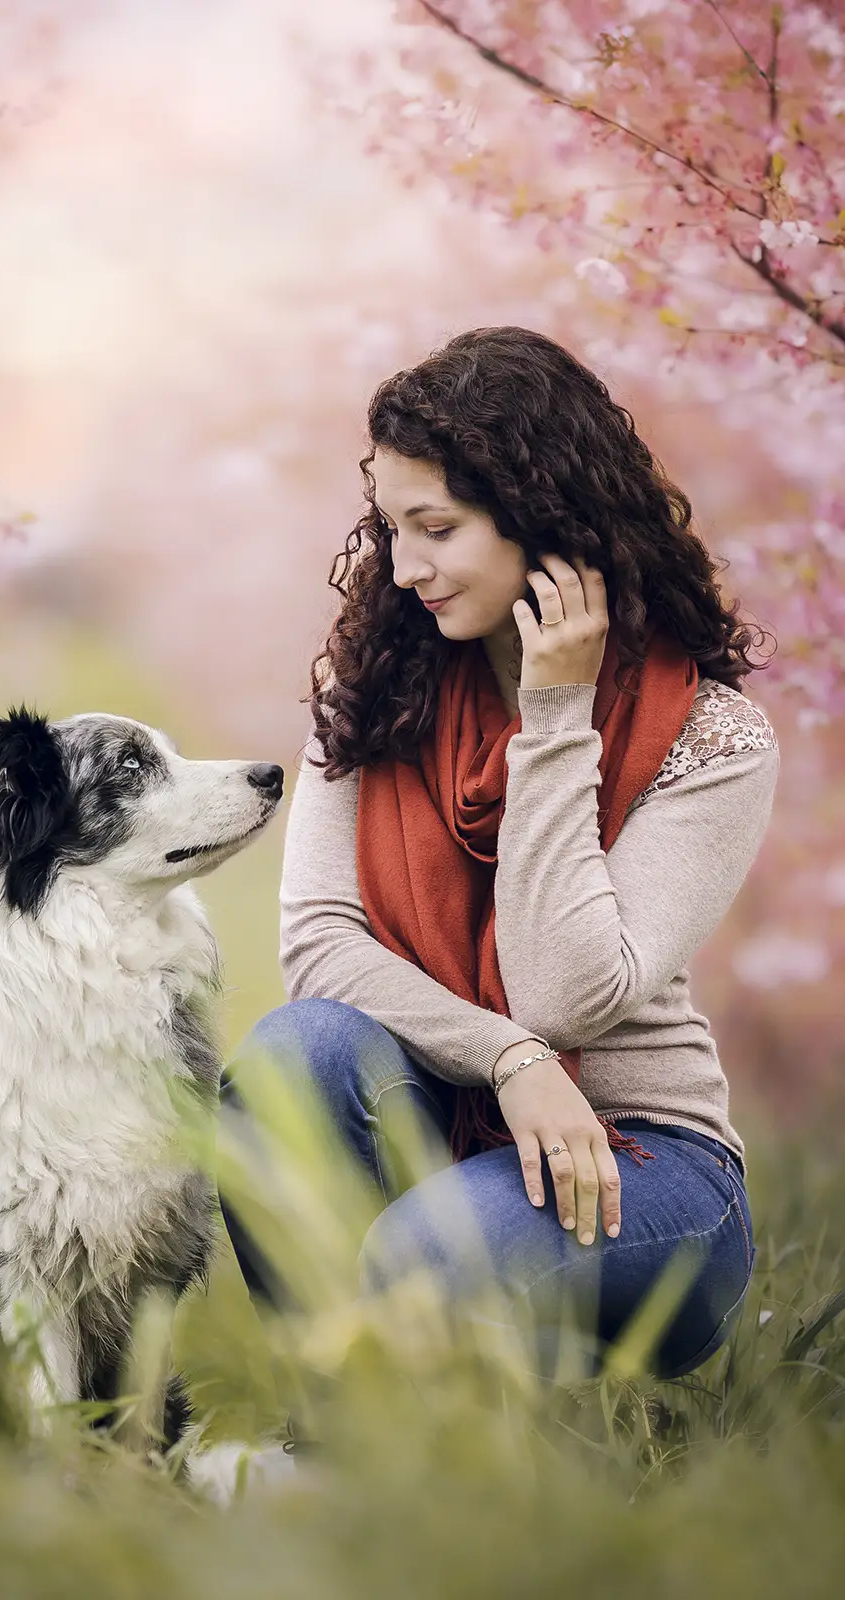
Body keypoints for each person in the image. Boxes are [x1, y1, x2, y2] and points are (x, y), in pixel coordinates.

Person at [219, 325, 779, 1384]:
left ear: (544, 520)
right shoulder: (376, 697)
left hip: (641, 1164)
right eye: (389, 527)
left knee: (425, 1252)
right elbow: (321, 947)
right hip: (448, 1110)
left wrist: (553, 714)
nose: (403, 565)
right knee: (294, 1057)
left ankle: (465, 1420)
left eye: (435, 527)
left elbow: (564, 996)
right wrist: (506, 1060)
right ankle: (344, 1447)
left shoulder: (709, 738)